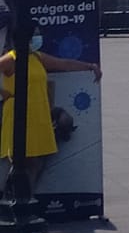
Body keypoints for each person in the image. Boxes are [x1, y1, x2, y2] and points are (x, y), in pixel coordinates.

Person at [0, 28, 101, 186]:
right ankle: (15, 196)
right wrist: (4, 93)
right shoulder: (10, 60)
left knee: (35, 162)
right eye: (32, 35)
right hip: (18, 114)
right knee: (22, 160)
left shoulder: (37, 57)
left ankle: (25, 197)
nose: (35, 39)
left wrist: (89, 66)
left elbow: (63, 64)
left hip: (37, 112)